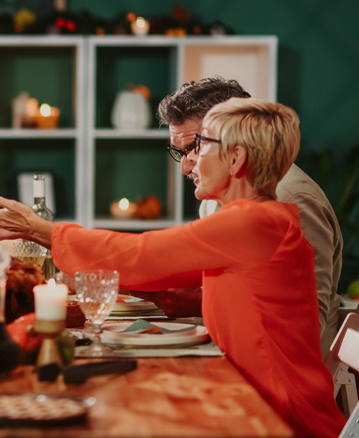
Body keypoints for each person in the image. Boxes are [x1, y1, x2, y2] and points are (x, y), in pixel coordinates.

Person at [0, 98, 344, 437]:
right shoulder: (256, 221)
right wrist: (46, 243)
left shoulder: (253, 222)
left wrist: (36, 227)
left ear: (236, 159)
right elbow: (152, 268)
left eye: (201, 145)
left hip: (282, 419)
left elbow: (140, 253)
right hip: (254, 401)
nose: (191, 161)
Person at [137, 77, 342, 357]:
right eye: (179, 152)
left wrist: (203, 299)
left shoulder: (293, 198)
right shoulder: (216, 192)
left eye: (196, 147)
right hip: (224, 346)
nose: (185, 168)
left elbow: (306, 326)